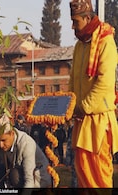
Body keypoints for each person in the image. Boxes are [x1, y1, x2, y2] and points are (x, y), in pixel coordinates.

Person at [69, 0, 118, 187]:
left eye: (76, 21)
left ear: (87, 18)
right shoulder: (79, 46)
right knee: (83, 176)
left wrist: (81, 107)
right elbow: (73, 81)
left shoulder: (106, 41)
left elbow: (104, 84)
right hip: (82, 121)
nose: (73, 26)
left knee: (98, 178)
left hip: (98, 123)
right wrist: (69, 105)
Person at [0, 114, 52, 189]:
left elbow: (29, 180)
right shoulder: (0, 144)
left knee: (14, 175)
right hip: (20, 171)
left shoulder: (26, 144)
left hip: (39, 179)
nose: (1, 145)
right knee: (0, 170)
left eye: (3, 140)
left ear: (12, 134)